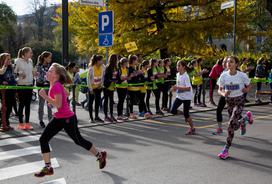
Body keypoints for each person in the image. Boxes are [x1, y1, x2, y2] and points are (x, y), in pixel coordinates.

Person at [35, 63, 107, 177]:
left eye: (50, 71)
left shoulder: (56, 86)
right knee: (44, 139)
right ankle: (48, 167)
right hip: (60, 117)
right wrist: (53, 100)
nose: (48, 72)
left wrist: (46, 97)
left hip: (66, 118)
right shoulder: (55, 84)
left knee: (78, 140)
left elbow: (58, 104)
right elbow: (67, 94)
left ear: (56, 75)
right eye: (48, 70)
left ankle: (100, 155)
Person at [217, 56, 254, 160]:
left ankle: (226, 149)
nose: (229, 64)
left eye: (231, 62)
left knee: (230, 124)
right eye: (228, 62)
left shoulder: (242, 75)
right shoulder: (223, 76)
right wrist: (224, 93)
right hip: (229, 102)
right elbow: (219, 90)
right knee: (235, 126)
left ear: (236, 64)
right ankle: (245, 119)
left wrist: (246, 90)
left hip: (239, 101)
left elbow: (249, 85)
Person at [170, 60, 195, 135]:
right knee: (172, 111)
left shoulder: (186, 76)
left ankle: (192, 128)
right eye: (177, 65)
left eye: (179, 65)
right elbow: (178, 84)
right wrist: (174, 88)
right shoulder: (178, 74)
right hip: (180, 96)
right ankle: (184, 113)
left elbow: (188, 88)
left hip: (187, 97)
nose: (177, 67)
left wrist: (177, 87)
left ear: (183, 67)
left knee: (187, 115)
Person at [14, 47, 35, 130]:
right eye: (31, 52)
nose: (32, 54)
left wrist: (34, 73)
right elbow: (14, 73)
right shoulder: (18, 61)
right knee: (21, 104)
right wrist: (20, 74)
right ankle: (20, 123)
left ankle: (27, 123)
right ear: (25, 53)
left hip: (30, 85)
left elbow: (32, 72)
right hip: (21, 85)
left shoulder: (30, 61)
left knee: (28, 105)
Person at [36, 51, 53, 128]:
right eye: (49, 57)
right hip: (41, 87)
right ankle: (41, 120)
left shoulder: (50, 66)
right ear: (45, 58)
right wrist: (46, 79)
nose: (50, 59)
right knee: (41, 104)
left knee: (50, 104)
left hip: (49, 87)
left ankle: (50, 119)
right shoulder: (39, 66)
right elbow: (38, 79)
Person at [0, 53, 17, 128]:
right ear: (3, 60)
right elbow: (1, 74)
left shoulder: (10, 67)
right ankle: (4, 122)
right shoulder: (2, 68)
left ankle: (6, 121)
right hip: (4, 91)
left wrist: (15, 84)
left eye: (10, 59)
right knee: (5, 107)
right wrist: (2, 82)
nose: (10, 60)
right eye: (8, 59)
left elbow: (13, 77)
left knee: (10, 107)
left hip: (11, 89)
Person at [87, 55, 105, 123]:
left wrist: (102, 85)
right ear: (97, 61)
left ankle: (96, 117)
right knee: (91, 103)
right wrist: (91, 89)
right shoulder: (91, 68)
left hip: (99, 88)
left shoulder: (103, 67)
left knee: (97, 103)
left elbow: (103, 76)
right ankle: (91, 118)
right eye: (101, 60)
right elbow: (88, 79)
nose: (102, 61)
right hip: (92, 88)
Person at [103, 54, 118, 123]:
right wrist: (111, 80)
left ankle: (111, 115)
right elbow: (106, 77)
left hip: (112, 86)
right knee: (106, 101)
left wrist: (116, 80)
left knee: (111, 101)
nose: (117, 60)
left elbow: (116, 76)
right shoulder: (108, 67)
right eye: (116, 59)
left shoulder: (116, 67)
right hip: (107, 86)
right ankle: (106, 116)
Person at [116, 57, 129, 122]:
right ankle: (119, 115)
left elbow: (127, 78)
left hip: (125, 87)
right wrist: (128, 77)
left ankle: (121, 115)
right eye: (126, 62)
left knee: (122, 101)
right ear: (122, 63)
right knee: (120, 101)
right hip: (119, 87)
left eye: (127, 62)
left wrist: (129, 78)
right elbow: (120, 78)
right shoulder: (119, 69)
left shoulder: (126, 69)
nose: (127, 64)